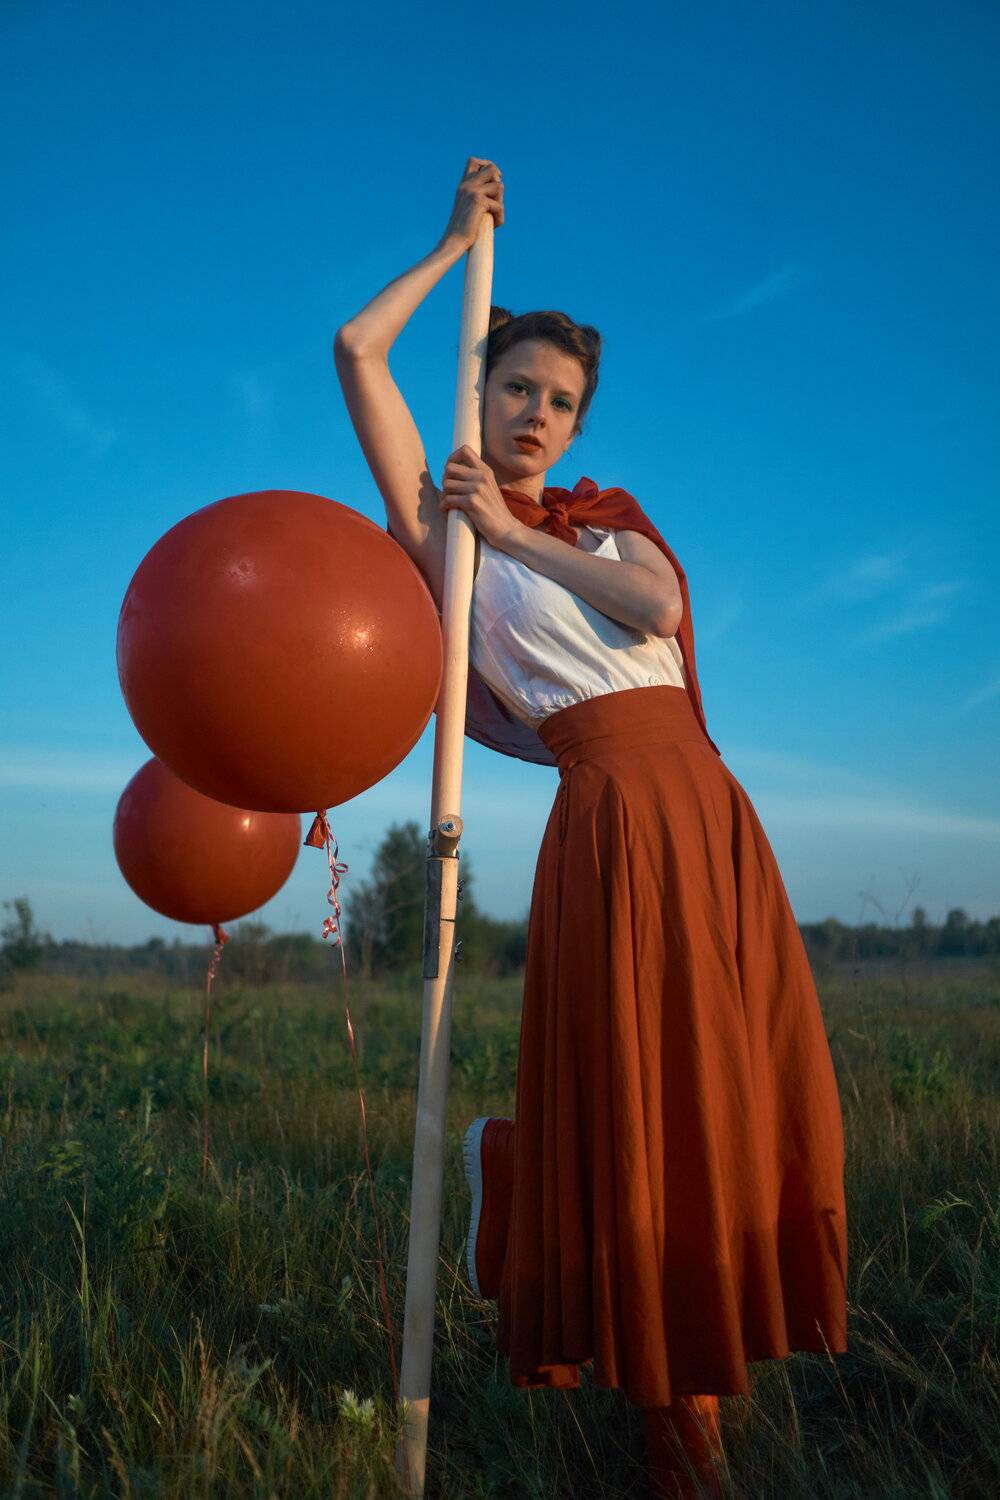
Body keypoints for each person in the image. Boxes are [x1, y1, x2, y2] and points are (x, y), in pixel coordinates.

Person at [334, 157, 849, 1499]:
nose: (538, 416)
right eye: (516, 389)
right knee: (646, 1092)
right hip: (608, 822)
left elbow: (662, 618)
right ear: (482, 389)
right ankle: (672, 1419)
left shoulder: (604, 525)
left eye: (560, 402)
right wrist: (453, 242)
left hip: (705, 816)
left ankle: (676, 1358)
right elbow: (357, 348)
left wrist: (519, 529)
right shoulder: (443, 537)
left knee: (724, 1096)